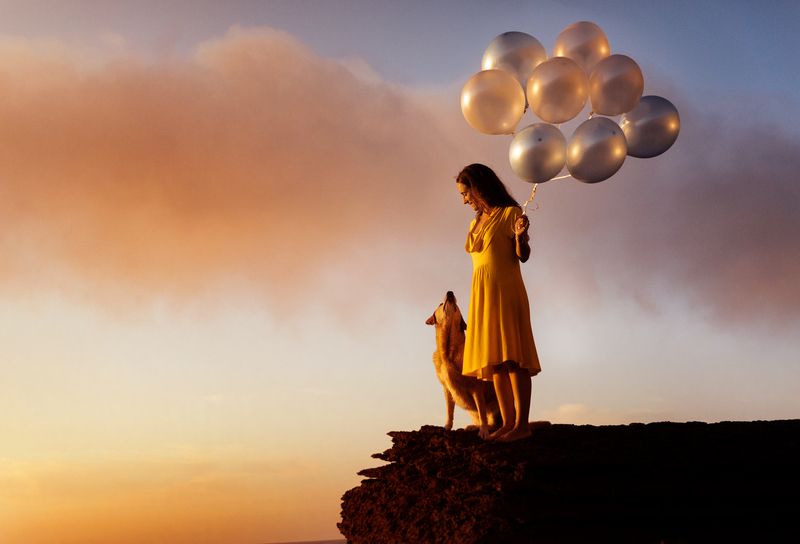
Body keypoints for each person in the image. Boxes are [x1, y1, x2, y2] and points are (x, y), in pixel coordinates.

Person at [456, 163, 541, 441]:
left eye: (465, 193)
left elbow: (523, 255)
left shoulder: (510, 214)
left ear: (478, 188)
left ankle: (522, 426)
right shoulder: (475, 223)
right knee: (496, 363)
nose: (464, 199)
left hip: (506, 291)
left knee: (513, 358)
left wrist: (520, 236)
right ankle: (507, 424)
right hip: (482, 295)